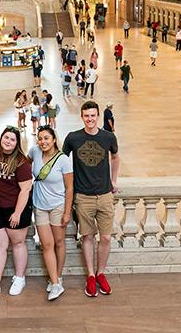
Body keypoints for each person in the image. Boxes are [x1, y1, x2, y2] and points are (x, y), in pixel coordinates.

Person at [63, 101, 119, 298]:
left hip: (104, 195)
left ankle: (101, 273)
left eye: (93, 115)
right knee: (87, 237)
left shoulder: (108, 137)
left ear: (98, 116)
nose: (90, 119)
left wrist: (113, 180)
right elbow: (62, 161)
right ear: (82, 117)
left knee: (105, 237)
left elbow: (115, 157)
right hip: (83, 196)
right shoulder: (73, 138)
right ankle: (91, 275)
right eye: (86, 116)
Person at [0, 127, 33, 304]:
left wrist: (17, 212)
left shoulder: (21, 162)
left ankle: (20, 278)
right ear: (1, 138)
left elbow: (25, 189)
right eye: (6, 137)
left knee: (18, 243)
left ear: (17, 143)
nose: (8, 141)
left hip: (15, 208)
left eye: (12, 139)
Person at [28, 127, 71, 297]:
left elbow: (69, 188)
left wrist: (67, 212)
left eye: (46, 138)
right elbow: (23, 163)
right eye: (40, 138)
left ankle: (58, 278)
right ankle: (55, 282)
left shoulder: (63, 160)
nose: (43, 142)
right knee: (46, 244)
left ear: (54, 139)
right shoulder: (34, 152)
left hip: (58, 206)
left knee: (59, 242)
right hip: (39, 205)